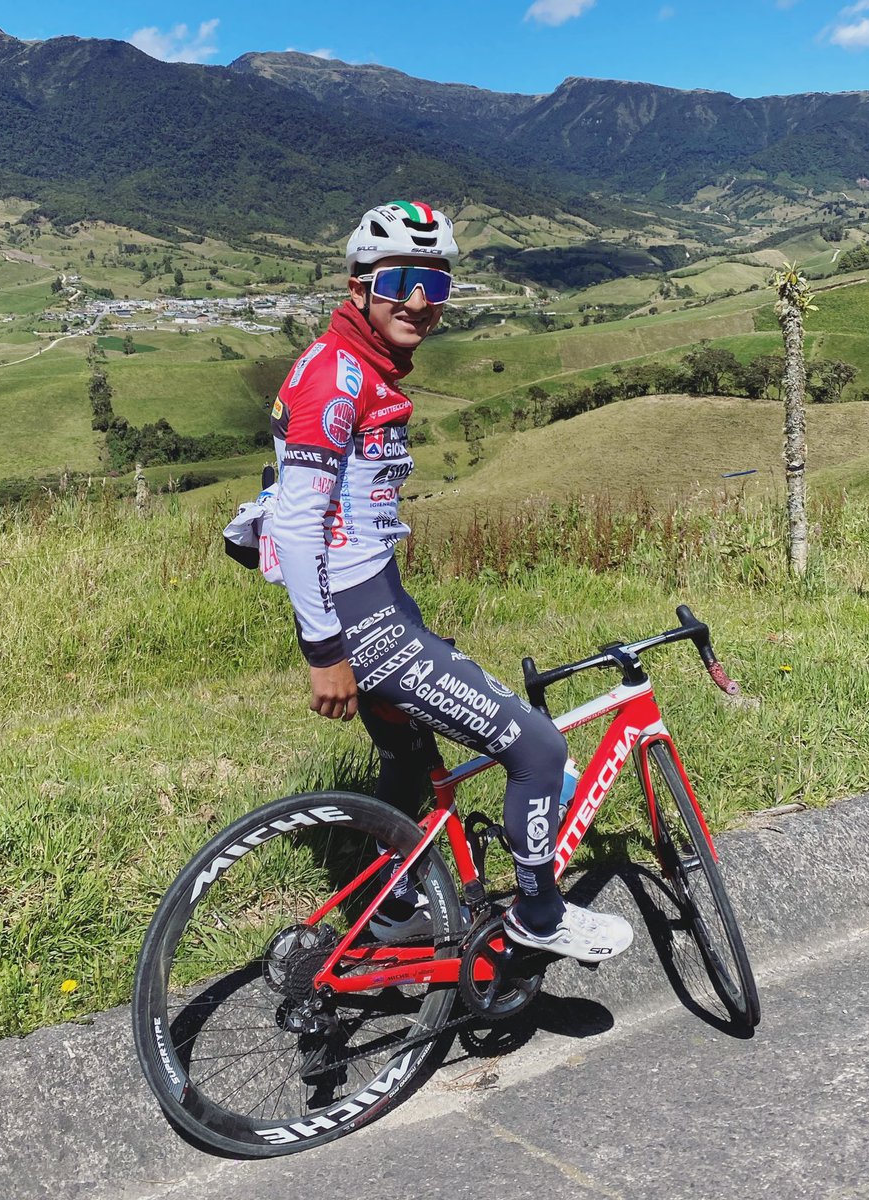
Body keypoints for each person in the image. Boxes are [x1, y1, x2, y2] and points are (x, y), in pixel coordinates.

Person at [268, 200, 633, 962]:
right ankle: (540, 912)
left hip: (380, 606)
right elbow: (296, 524)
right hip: (364, 625)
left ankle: (398, 906)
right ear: (360, 285)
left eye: (436, 285)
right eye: (401, 280)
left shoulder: (360, 369)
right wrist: (323, 651)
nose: (419, 302)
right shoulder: (336, 378)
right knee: (537, 751)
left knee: (407, 762)